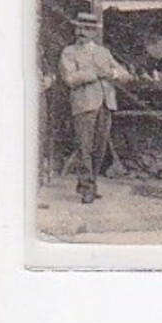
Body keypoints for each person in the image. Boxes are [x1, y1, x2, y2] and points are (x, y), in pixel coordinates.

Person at [58, 11, 131, 204]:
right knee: (84, 148)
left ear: (94, 32)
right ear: (75, 29)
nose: (82, 32)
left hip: (106, 104)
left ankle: (90, 183)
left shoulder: (103, 52)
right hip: (84, 105)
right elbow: (70, 79)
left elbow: (125, 74)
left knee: (99, 148)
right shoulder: (69, 52)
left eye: (87, 29)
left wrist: (113, 73)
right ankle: (87, 188)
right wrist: (95, 73)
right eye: (80, 27)